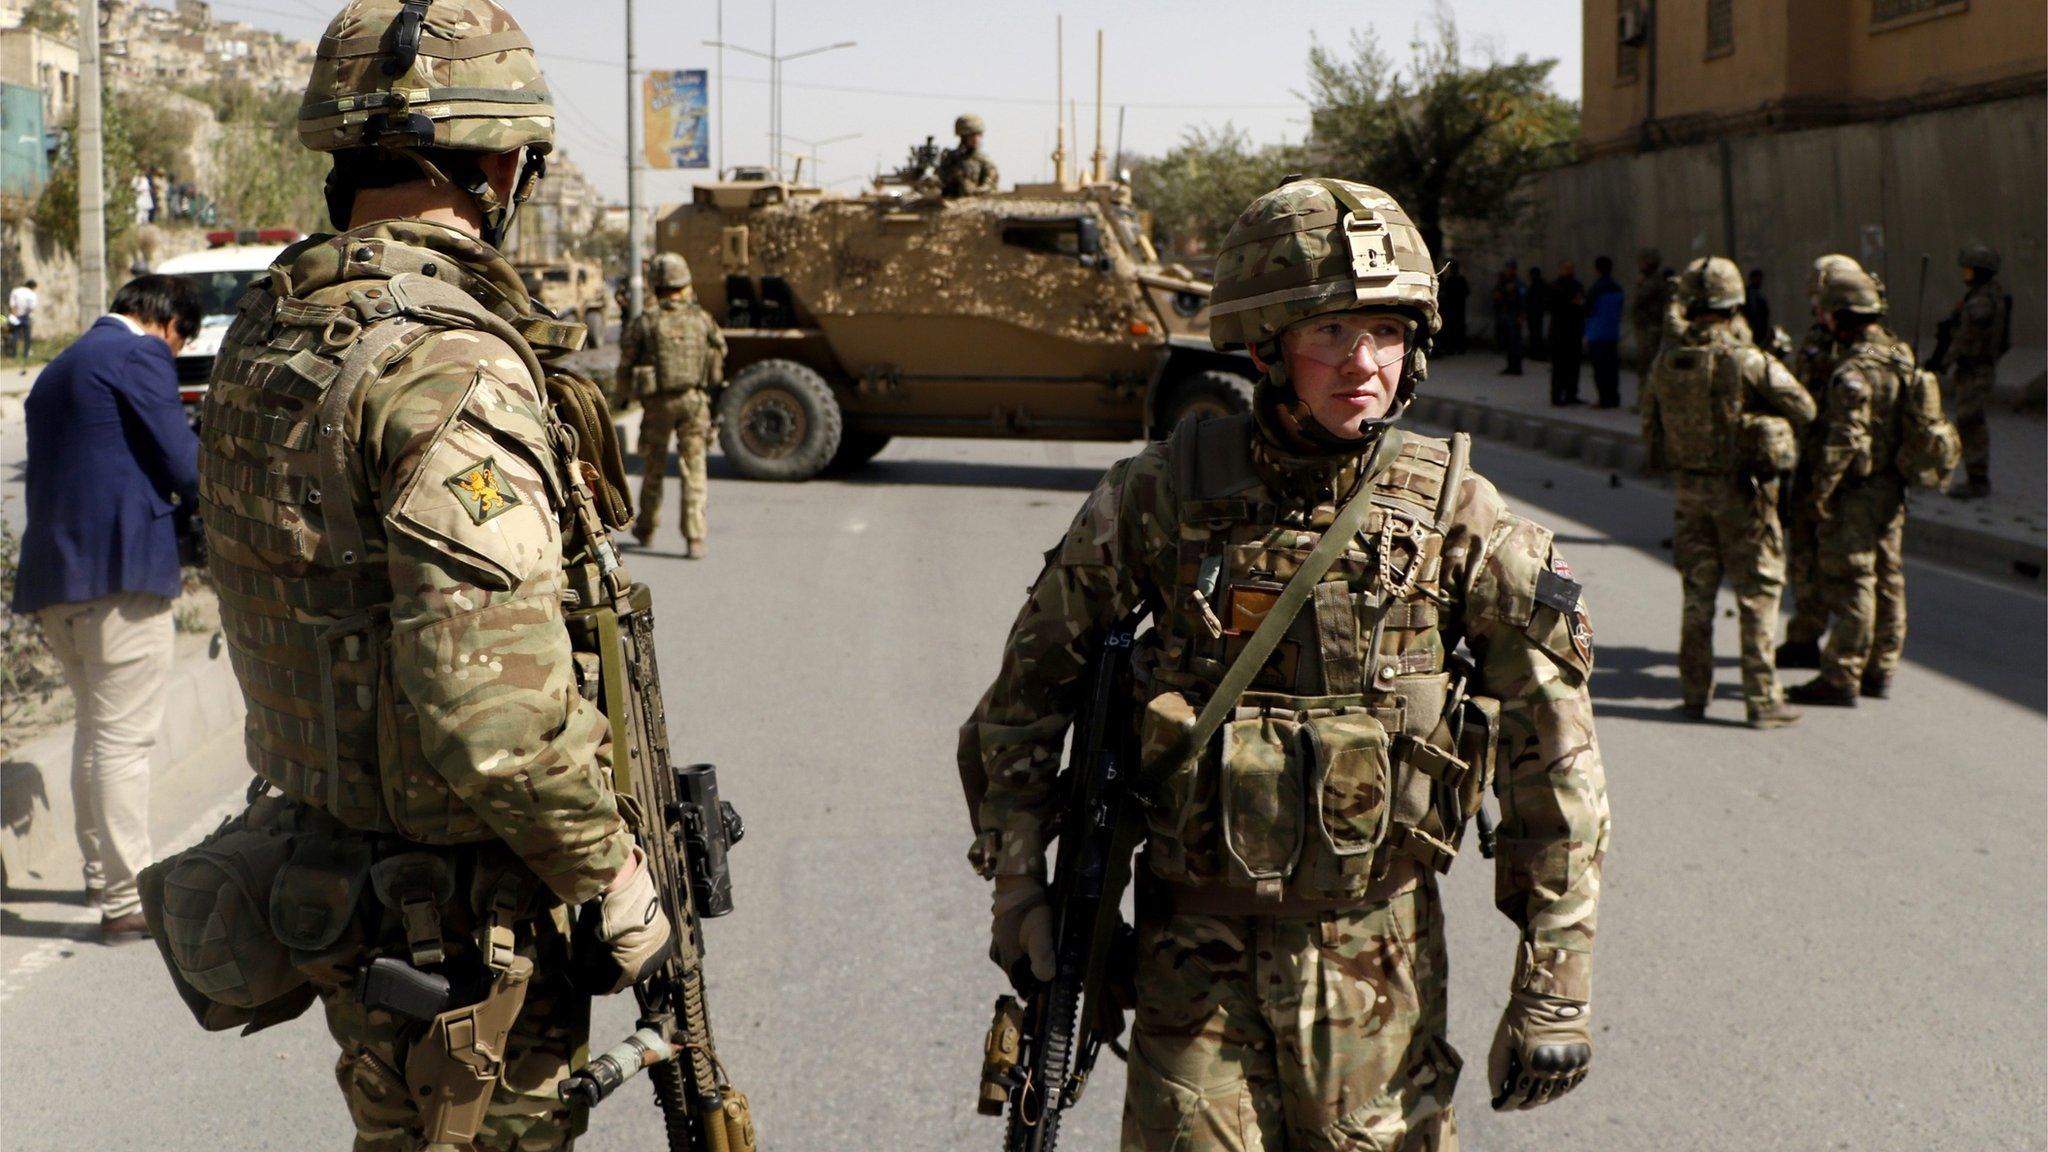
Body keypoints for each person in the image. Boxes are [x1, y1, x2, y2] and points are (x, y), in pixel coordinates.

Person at [961, 177, 1610, 1149]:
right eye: (1331, 334)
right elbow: (1022, 704)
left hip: (1375, 964)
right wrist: (1019, 885)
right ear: (1264, 346)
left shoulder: (1456, 516)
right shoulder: (1156, 497)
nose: (1365, 364)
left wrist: (1552, 987)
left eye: (1386, 334)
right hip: (1189, 967)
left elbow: (1553, 753)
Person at [189, 3, 670, 1147]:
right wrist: (608, 872)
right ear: (502, 166)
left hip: (345, 882)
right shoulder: (446, 360)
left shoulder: (278, 326)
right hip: (464, 920)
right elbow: (490, 707)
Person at [10, 275, 201, 943]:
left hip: (55, 579)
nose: (174, 357)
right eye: (181, 344)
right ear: (167, 323)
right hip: (121, 574)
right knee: (123, 742)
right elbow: (185, 464)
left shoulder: (60, 365)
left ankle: (101, 874)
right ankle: (126, 899)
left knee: (96, 732)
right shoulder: (139, 353)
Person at [1640, 256, 1813, 728]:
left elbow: (1649, 429)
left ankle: (1694, 692)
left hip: (1689, 494)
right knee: (1759, 594)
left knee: (1698, 596)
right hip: (1745, 495)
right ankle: (1762, 700)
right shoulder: (1747, 359)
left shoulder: (1666, 361)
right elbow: (1804, 406)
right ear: (1734, 305)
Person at [1788, 263, 1917, 706]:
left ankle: (1841, 674)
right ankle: (1881, 667)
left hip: (1857, 490)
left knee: (1852, 579)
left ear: (1842, 316)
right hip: (1891, 485)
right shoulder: (1900, 355)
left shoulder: (1853, 371)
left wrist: (1820, 491)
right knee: (1888, 574)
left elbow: (1845, 438)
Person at [1777, 255, 1874, 672]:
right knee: (1804, 554)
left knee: (1862, 570)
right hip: (1813, 457)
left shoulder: (1870, 344)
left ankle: (1865, 656)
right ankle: (1805, 635)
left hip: (1853, 468)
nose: (1818, 308)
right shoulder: (1819, 337)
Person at [620, 251, 727, 557]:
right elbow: (719, 357)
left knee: (653, 467)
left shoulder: (647, 322)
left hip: (657, 406)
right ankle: (695, 538)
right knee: (694, 469)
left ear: (655, 285)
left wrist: (624, 396)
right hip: (694, 402)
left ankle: (648, 528)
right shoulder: (702, 319)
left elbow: (626, 362)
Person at [1939, 244, 2008, 500]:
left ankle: (1977, 480)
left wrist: (1945, 359)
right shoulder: (1984, 295)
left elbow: (1966, 337)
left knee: (1970, 423)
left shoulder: (1981, 301)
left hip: (1976, 369)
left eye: (1969, 270)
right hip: (1973, 369)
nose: (1964, 274)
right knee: (1969, 422)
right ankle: (1974, 477)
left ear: (1980, 272)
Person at [1585, 255, 1626, 408]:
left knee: (1600, 369)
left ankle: (1604, 399)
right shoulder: (1617, 288)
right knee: (1612, 368)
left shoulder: (1595, 289)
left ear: (1597, 270)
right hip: (1612, 332)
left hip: (1597, 333)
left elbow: (1588, 309)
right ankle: (1614, 397)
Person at [1548, 258, 1587, 406]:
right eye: (1566, 268)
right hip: (1559, 331)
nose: (1569, 271)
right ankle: (1557, 395)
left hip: (1574, 331)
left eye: (1571, 268)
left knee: (1573, 365)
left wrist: (1578, 304)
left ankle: (1572, 393)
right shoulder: (1556, 286)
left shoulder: (1577, 285)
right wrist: (1571, 304)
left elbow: (1583, 303)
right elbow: (1554, 306)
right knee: (1559, 366)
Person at [938, 113, 1000, 197]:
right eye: (972, 135)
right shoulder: (951, 158)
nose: (976, 139)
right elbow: (938, 181)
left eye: (978, 135)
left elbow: (990, 184)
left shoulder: (984, 160)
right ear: (963, 137)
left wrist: (976, 190)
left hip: (974, 204)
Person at [1630, 249, 1669, 384]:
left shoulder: (1653, 281)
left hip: (1650, 328)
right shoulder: (1651, 280)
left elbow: (1639, 300)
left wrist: (1639, 285)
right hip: (1647, 327)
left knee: (1648, 364)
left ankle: (1648, 400)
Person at [1493, 261, 1524, 375]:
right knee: (1509, 343)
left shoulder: (1518, 283)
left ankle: (1517, 367)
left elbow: (1522, 300)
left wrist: (1521, 315)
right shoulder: (1504, 282)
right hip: (1505, 315)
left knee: (1516, 343)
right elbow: (1497, 295)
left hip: (1514, 315)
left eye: (1510, 269)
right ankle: (1511, 366)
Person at [1438, 261, 1470, 356]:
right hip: (1454, 308)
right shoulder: (1451, 280)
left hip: (1457, 308)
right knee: (1453, 328)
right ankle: (1454, 348)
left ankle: (1458, 348)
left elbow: (1466, 292)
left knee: (1457, 328)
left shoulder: (1458, 280)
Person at [7, 277, 38, 359]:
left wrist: (15, 314)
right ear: (33, 287)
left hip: (15, 316)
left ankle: (13, 354)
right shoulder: (32, 294)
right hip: (25, 317)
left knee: (15, 335)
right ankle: (26, 354)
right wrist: (27, 314)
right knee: (27, 336)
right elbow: (31, 307)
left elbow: (12, 305)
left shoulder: (16, 291)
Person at [1524, 265, 1549, 360]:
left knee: (1535, 334)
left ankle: (1536, 353)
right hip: (1537, 312)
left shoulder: (1536, 285)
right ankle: (1536, 352)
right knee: (1536, 333)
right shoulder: (1541, 284)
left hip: (1535, 312)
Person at [1740, 268, 1771, 345]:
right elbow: (1753, 311)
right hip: (1755, 330)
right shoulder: (1751, 294)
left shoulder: (1754, 293)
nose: (1760, 281)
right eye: (1758, 278)